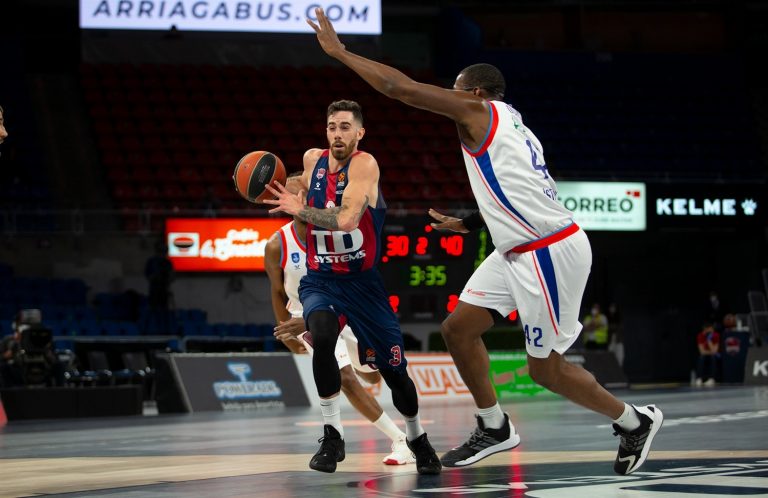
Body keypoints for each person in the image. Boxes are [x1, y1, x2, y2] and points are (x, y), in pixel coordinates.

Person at [305, 8, 663, 475]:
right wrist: (472, 223)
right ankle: (494, 425)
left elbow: (400, 89)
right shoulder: (513, 122)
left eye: (455, 92)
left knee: (545, 370)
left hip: (547, 252)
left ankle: (634, 421)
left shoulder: (478, 111)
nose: (449, 100)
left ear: (474, 94)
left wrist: (340, 52)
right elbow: (520, 189)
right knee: (458, 329)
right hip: (515, 249)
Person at [263, 100, 441, 475]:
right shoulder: (311, 161)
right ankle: (332, 436)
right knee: (322, 334)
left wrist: (298, 208)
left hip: (362, 285)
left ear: (359, 133)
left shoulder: (365, 165)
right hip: (321, 281)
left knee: (392, 373)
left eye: (345, 127)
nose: (337, 133)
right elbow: (294, 191)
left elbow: (345, 221)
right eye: (332, 126)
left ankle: (417, 438)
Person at [264, 172, 415, 466]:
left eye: (300, 193)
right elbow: (276, 291)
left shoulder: (337, 232)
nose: (293, 199)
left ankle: (364, 366)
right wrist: (287, 332)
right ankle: (400, 440)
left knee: (372, 374)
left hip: (345, 309)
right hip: (308, 317)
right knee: (345, 378)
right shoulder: (276, 244)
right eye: (289, 195)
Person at [695, 322, 720, 387]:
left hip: (714, 355)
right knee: (701, 358)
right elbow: (701, 351)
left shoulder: (716, 335)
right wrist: (709, 352)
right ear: (704, 329)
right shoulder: (700, 335)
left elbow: (715, 351)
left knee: (713, 357)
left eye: (711, 329)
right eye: (707, 329)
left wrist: (709, 341)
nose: (709, 331)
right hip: (705, 355)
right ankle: (699, 378)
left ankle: (712, 379)